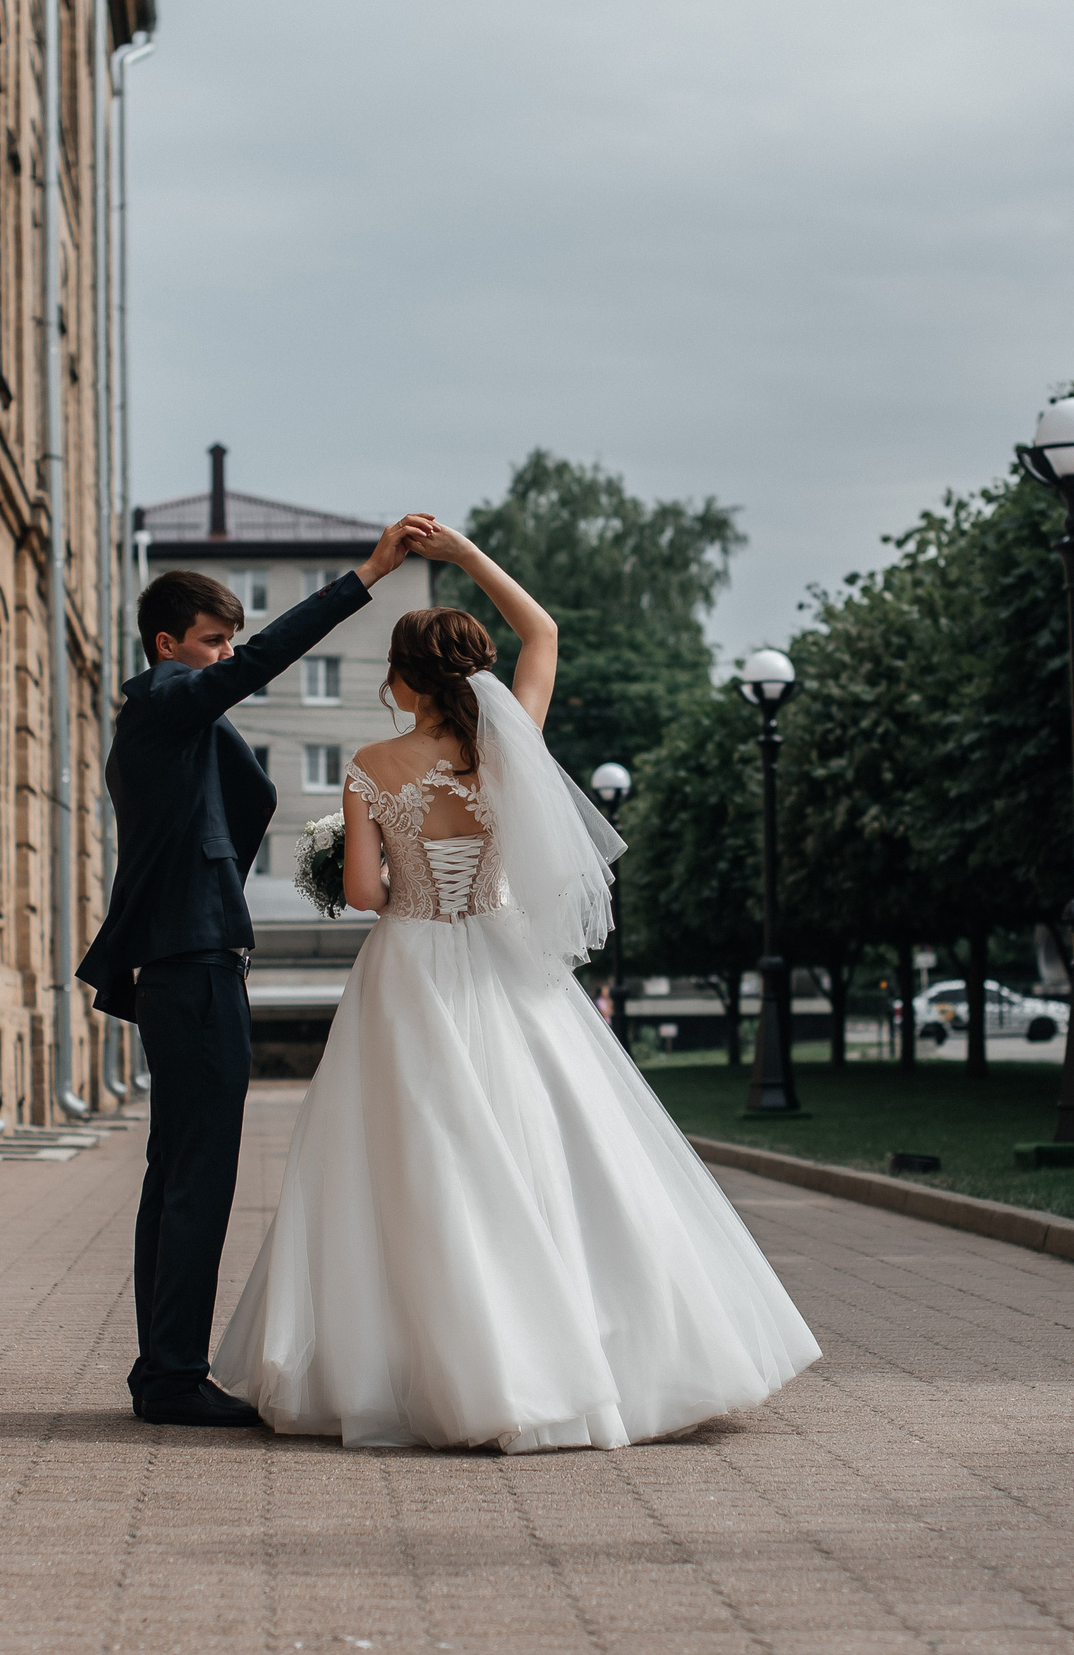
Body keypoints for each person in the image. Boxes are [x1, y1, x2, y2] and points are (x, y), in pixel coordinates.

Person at [212, 523, 820, 1451]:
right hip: (504, 955)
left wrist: (351, 861)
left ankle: (455, 1360)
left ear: (401, 677)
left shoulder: (374, 767)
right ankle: (604, 1352)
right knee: (555, 1132)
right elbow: (544, 634)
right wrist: (466, 557)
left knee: (421, 1157)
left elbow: (373, 894)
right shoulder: (510, 741)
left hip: (412, 964)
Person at [78, 514, 435, 1428]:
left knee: (178, 1170)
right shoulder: (162, 697)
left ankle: (162, 1368)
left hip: (194, 954)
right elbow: (259, 667)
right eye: (214, 640)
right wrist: (366, 577)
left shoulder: (182, 727)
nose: (229, 653)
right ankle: (170, 1377)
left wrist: (212, 873)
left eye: (231, 637)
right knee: (197, 1174)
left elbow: (255, 793)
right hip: (192, 968)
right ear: (168, 644)